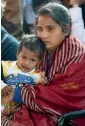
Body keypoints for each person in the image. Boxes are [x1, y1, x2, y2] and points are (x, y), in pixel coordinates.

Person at [1, 2, 85, 126]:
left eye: (50, 29)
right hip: (34, 107)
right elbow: (24, 76)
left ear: (66, 29)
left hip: (68, 116)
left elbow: (61, 95)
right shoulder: (38, 51)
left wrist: (19, 94)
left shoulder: (76, 55)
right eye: (39, 29)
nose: (43, 35)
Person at [1, 34, 47, 116]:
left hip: (24, 113)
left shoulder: (38, 75)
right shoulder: (7, 66)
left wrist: (44, 84)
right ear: (17, 54)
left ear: (39, 62)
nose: (26, 63)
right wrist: (3, 86)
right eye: (24, 57)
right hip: (4, 108)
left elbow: (40, 94)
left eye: (32, 60)